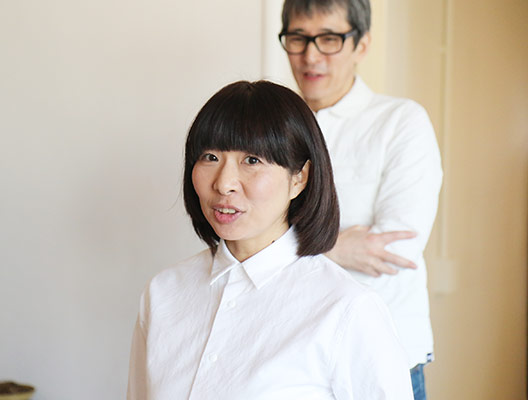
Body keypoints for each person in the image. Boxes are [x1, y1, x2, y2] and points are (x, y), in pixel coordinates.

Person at [127, 80, 413, 399]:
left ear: (299, 178)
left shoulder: (347, 308)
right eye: (210, 157)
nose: (224, 183)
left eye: (252, 160)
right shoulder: (163, 292)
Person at [278, 1, 443, 399]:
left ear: (362, 45)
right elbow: (244, 238)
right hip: (291, 354)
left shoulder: (401, 121)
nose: (310, 55)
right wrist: (339, 247)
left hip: (382, 357)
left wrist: (285, 248)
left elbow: (395, 249)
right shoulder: (274, 128)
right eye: (298, 38)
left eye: (329, 38)